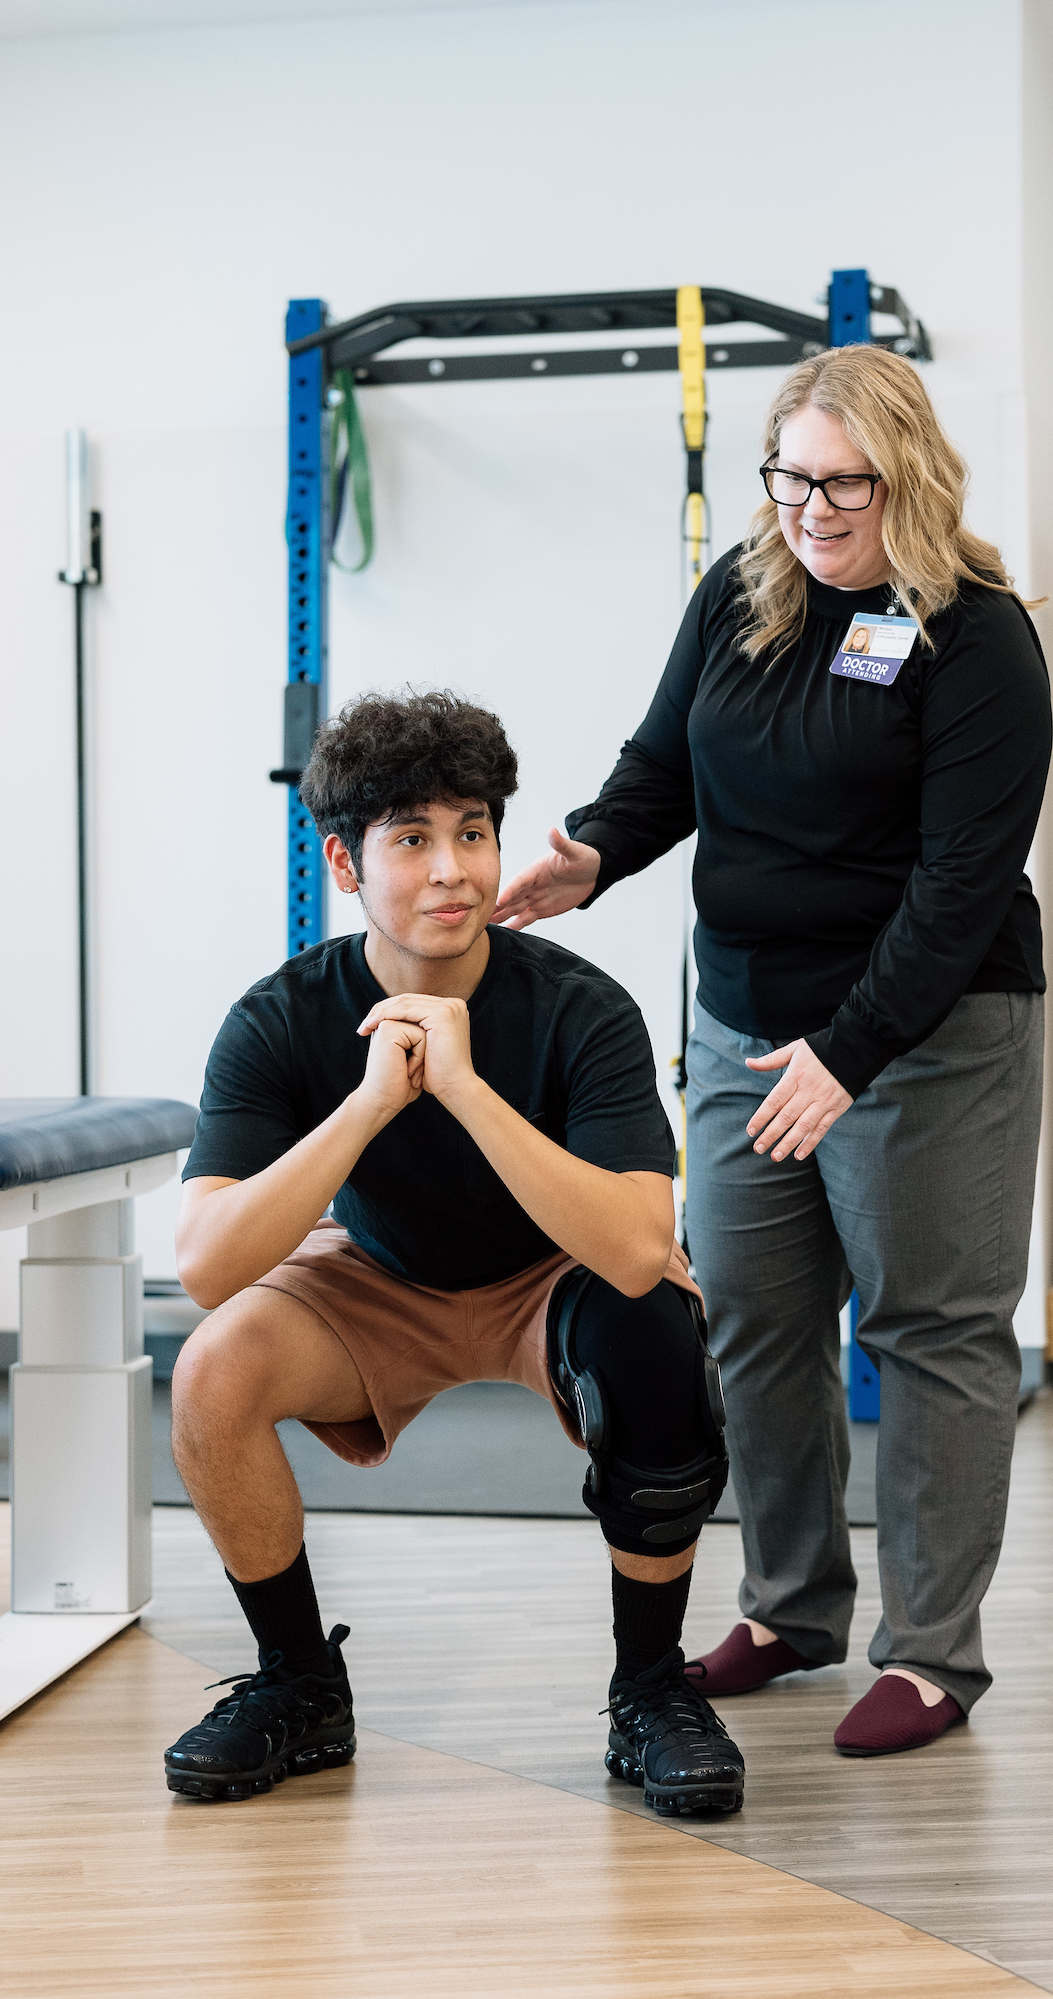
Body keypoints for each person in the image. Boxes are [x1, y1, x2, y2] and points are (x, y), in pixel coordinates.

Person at [494, 346, 1052, 1759]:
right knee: (745, 1312)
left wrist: (852, 1051)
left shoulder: (974, 637)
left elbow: (961, 887)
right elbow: (663, 767)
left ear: (908, 476)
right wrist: (594, 855)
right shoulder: (746, 595)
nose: (811, 507)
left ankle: (931, 1653)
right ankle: (794, 1603)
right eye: (790, 476)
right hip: (743, 1026)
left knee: (930, 1332)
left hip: (926, 1038)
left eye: (843, 482)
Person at [162, 689, 744, 1815]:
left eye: (471, 833)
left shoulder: (581, 1010)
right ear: (345, 863)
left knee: (658, 1334)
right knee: (212, 1371)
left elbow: (631, 1248)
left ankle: (648, 1691)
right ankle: (299, 1686)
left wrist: (467, 1090)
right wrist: (369, 1106)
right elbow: (205, 1264)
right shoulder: (281, 1017)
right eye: (411, 840)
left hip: (550, 1278)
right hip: (374, 1277)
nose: (451, 871)